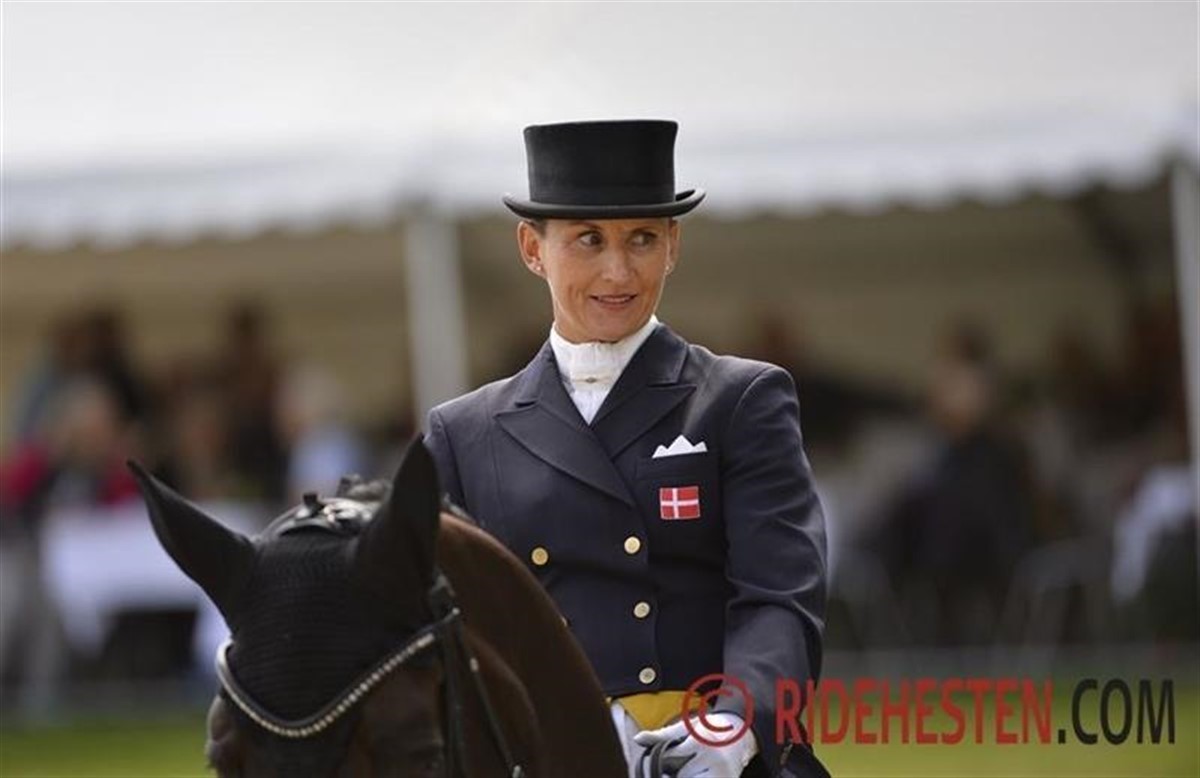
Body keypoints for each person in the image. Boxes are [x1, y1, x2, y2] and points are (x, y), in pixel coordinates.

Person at [424, 120, 828, 778]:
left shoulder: (740, 400)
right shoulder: (465, 433)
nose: (618, 271)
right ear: (532, 248)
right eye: (589, 240)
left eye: (642, 238)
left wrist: (735, 725)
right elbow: (441, 636)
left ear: (673, 245)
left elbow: (780, 598)